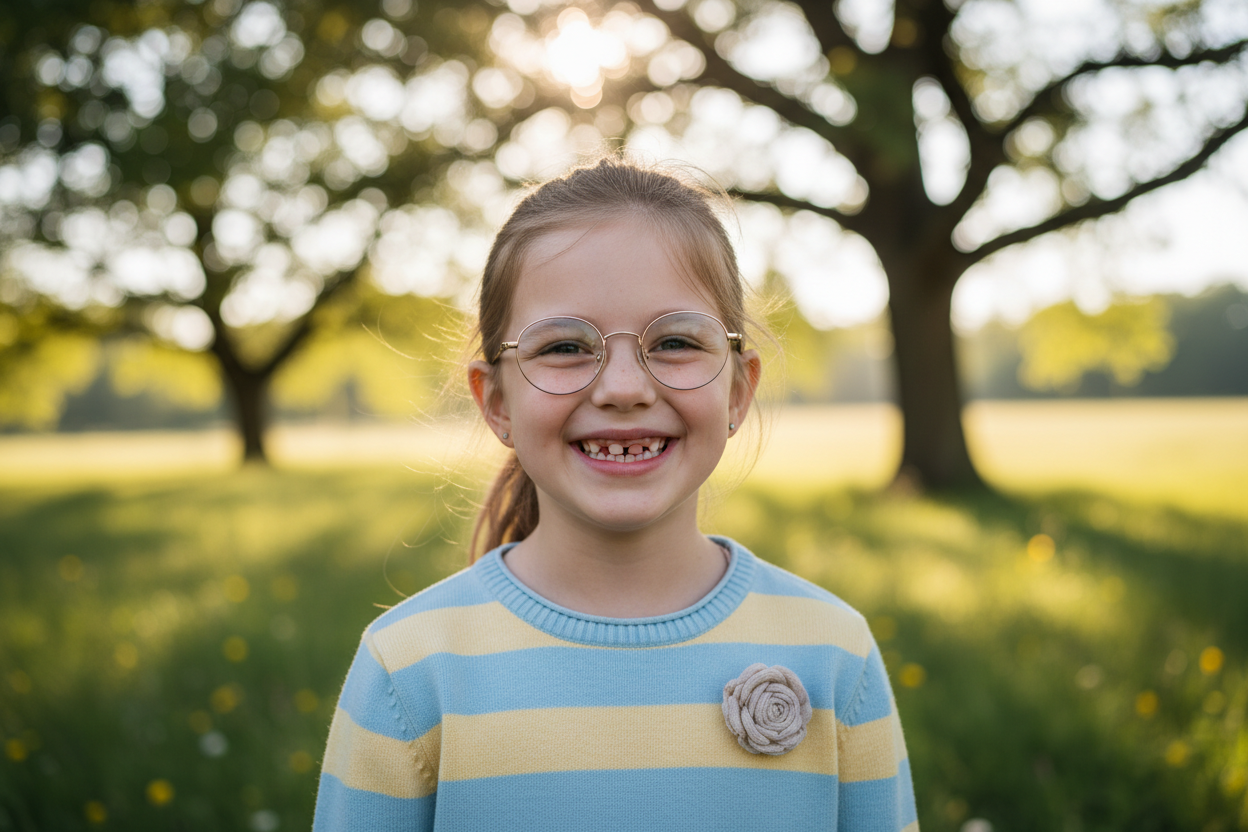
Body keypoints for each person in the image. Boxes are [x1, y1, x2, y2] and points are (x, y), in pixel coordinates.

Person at [312, 157, 918, 831]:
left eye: (677, 342)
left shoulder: (833, 652)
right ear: (497, 401)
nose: (623, 387)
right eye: (566, 347)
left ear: (738, 391)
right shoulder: (411, 669)